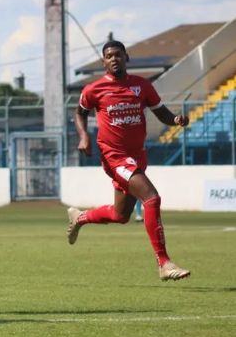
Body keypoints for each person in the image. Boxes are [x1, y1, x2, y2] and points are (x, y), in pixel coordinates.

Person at [67, 40, 191, 281]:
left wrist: (175, 119)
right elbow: (80, 112)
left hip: (136, 157)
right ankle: (164, 263)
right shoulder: (94, 89)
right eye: (109, 56)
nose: (114, 59)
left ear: (127, 57)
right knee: (151, 198)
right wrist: (84, 137)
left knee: (120, 215)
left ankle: (79, 217)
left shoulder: (141, 86)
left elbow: (160, 111)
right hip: (114, 158)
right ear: (104, 62)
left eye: (118, 55)